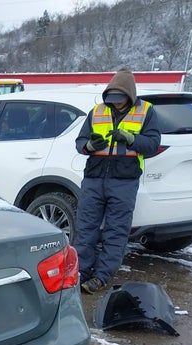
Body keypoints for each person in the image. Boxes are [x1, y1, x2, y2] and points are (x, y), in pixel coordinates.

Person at [73, 67, 161, 294]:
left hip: (124, 180)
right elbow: (80, 141)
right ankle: (81, 272)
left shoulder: (146, 111)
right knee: (86, 229)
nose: (115, 103)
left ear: (129, 96)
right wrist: (89, 146)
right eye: (112, 98)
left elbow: (152, 145)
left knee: (116, 231)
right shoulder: (98, 111)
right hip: (94, 178)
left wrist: (131, 139)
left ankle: (101, 277)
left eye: (120, 99)